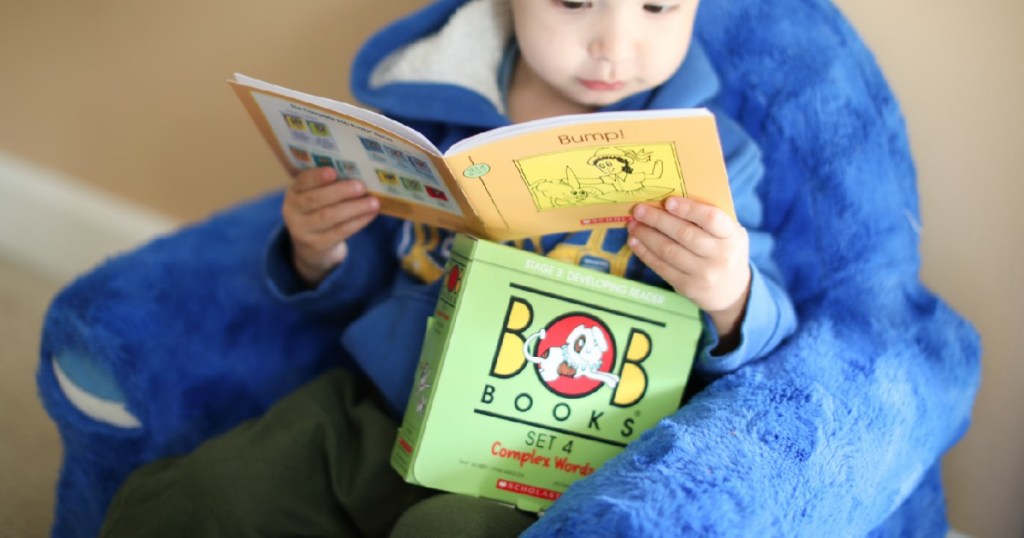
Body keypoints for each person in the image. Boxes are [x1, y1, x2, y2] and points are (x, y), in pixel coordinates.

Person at [100, 0, 796, 536]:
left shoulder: (714, 156)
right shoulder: (428, 113)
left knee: (452, 531)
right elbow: (371, 271)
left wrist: (730, 293)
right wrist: (317, 250)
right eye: (573, 2)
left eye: (658, 6)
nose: (615, 46)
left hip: (542, 453)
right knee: (211, 496)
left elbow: (771, 325)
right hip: (390, 403)